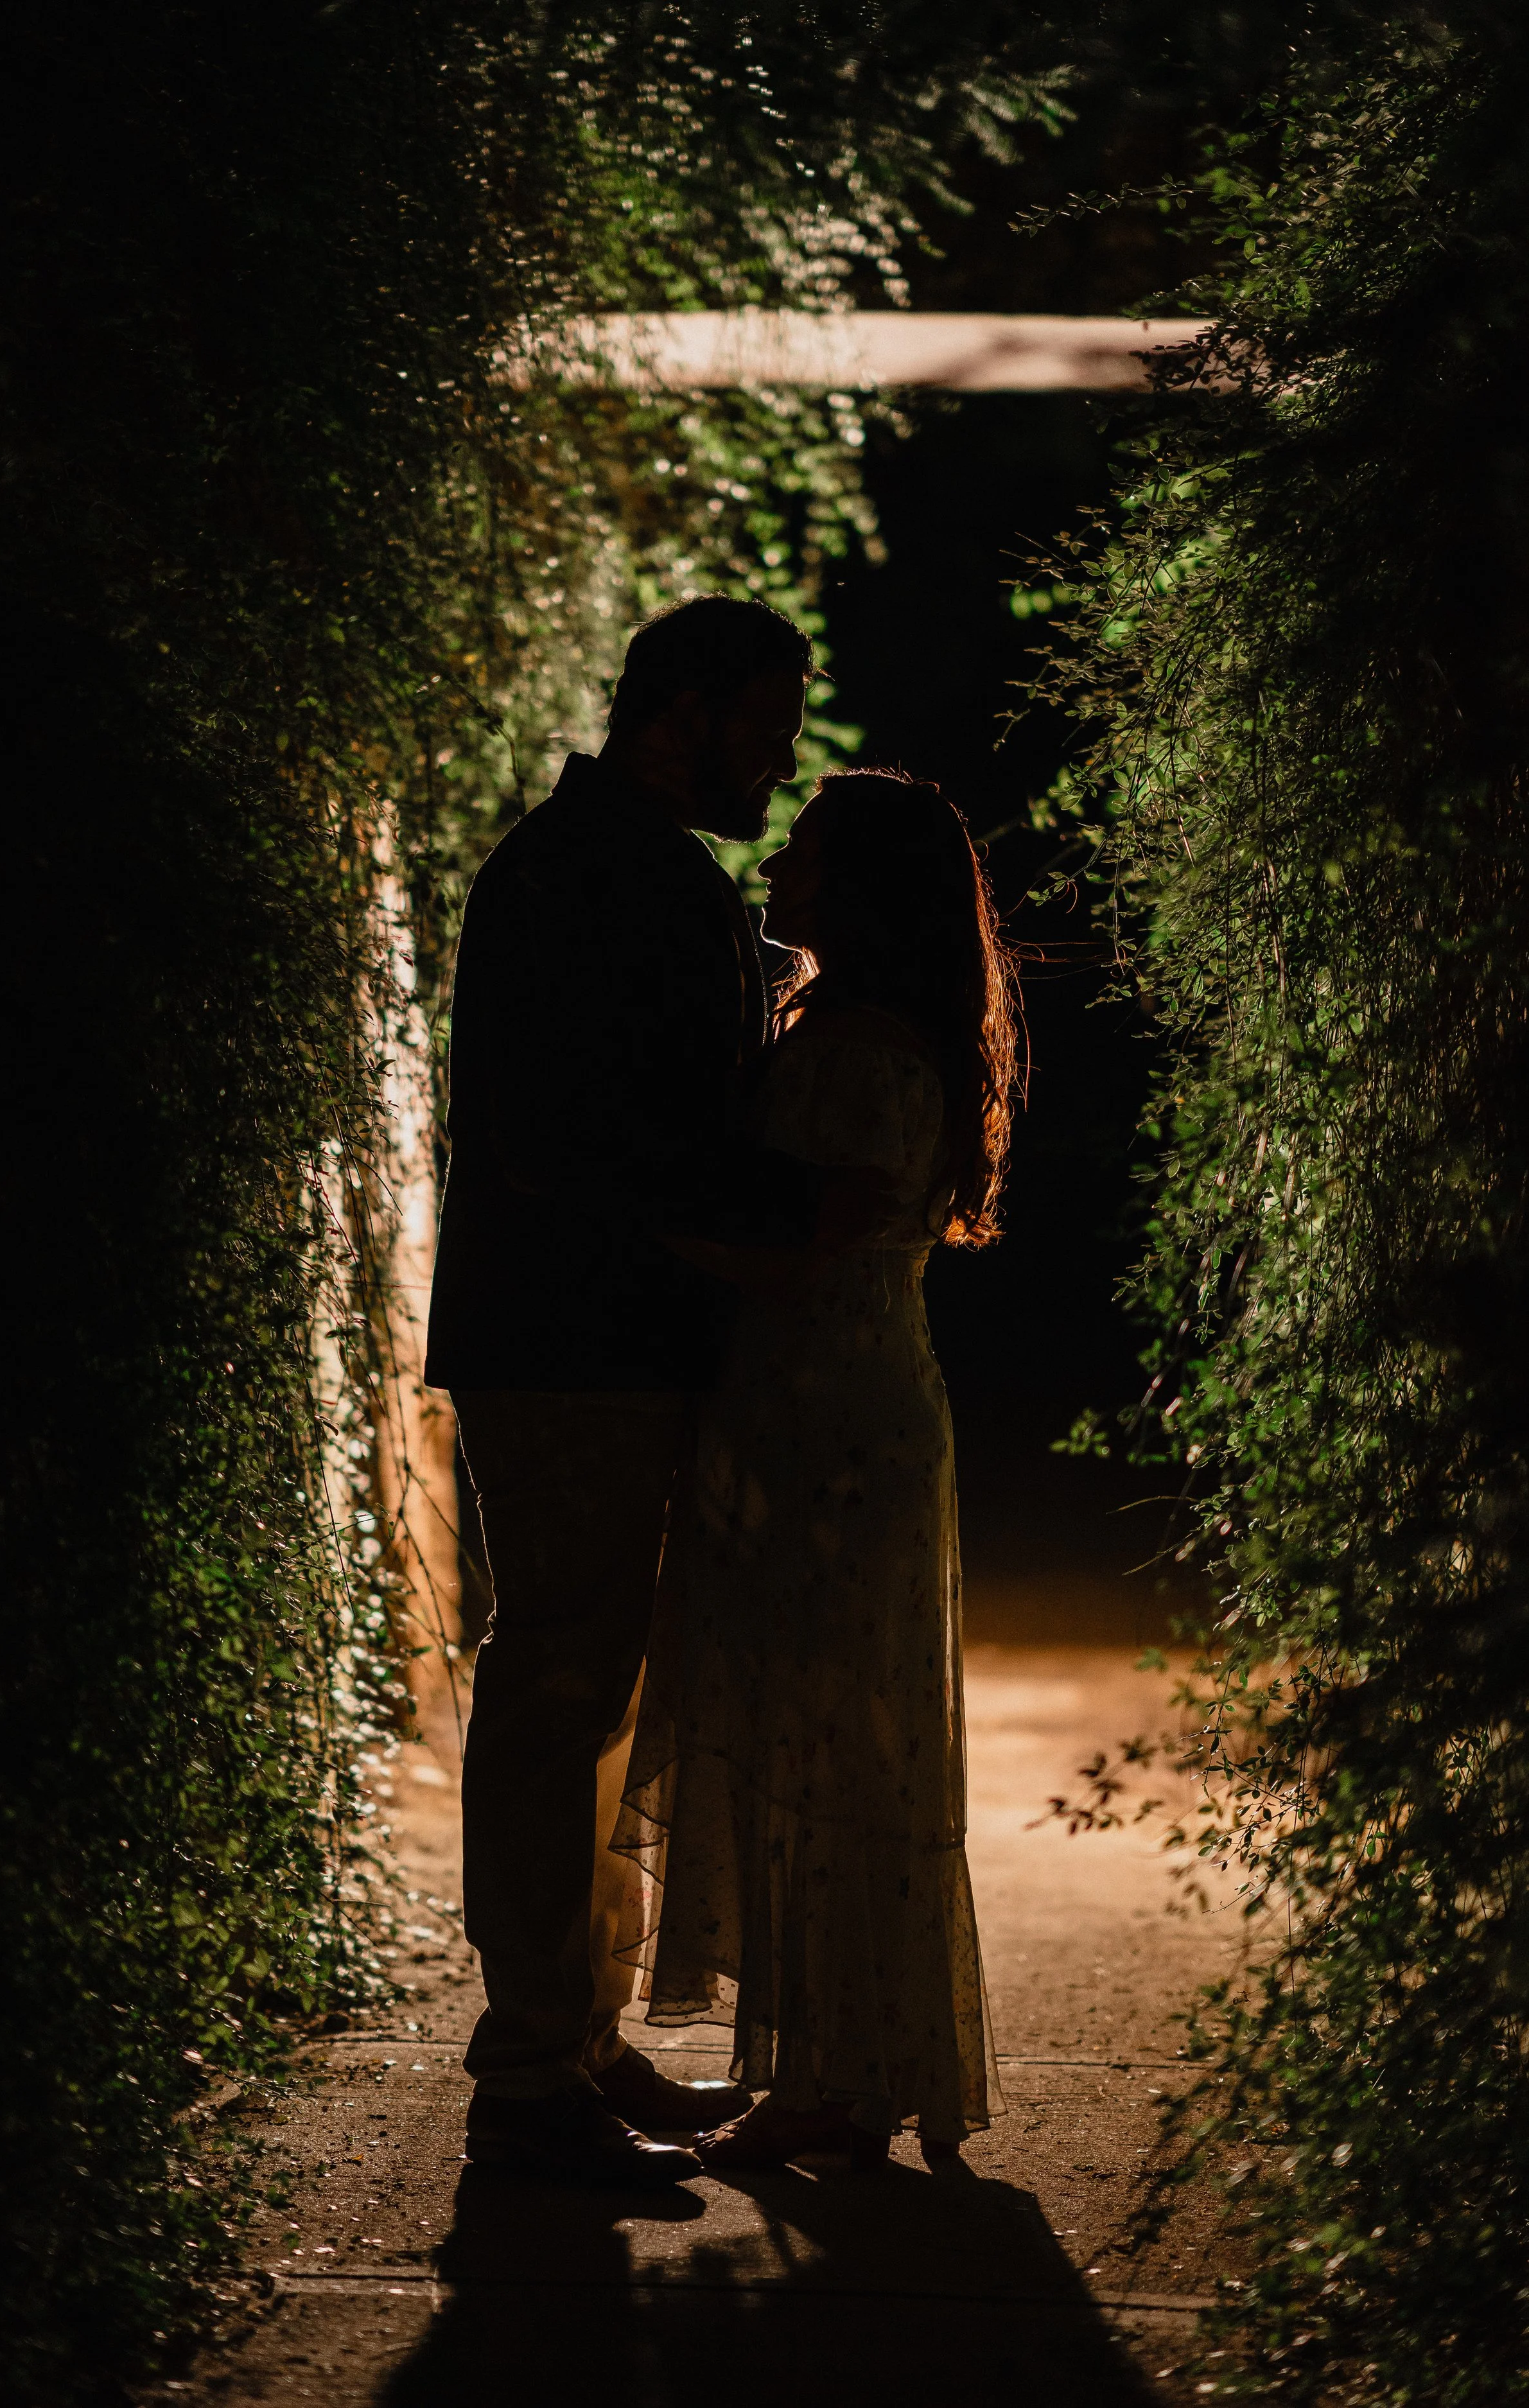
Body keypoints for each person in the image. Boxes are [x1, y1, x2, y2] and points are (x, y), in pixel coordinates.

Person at [424, 594, 816, 2186]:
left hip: (580, 1334)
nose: (779, 765)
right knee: (560, 1685)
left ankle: (565, 2043)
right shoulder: (601, 877)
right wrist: (792, 1206)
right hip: (572, 1339)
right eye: (767, 728)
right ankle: (529, 2072)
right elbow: (585, 1132)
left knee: (584, 1687)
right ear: (684, 711)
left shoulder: (601, 868)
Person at [611, 769, 1018, 2170]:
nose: (776, 868)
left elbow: (805, 1242)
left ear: (857, 888)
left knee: (829, 1751)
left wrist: (639, 1231)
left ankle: (837, 2083)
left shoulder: (854, 1053)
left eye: (804, 853)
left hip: (821, 1423)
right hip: (847, 1406)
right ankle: (841, 2071)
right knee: (841, 1752)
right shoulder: (882, 1037)